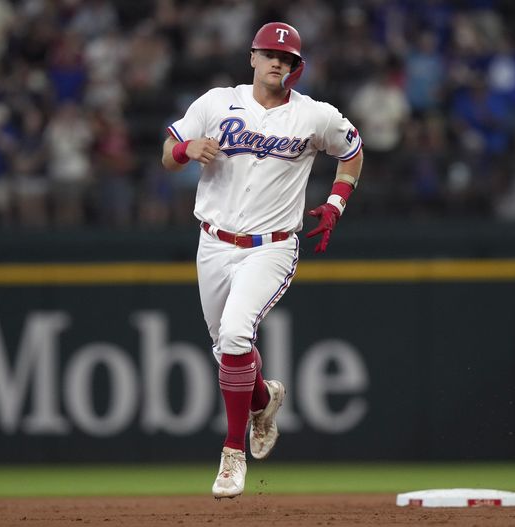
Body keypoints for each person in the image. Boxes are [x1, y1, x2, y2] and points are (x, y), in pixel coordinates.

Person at [160, 21, 363, 499]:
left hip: (271, 245)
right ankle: (264, 398)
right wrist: (186, 149)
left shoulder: (314, 115)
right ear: (252, 57)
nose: (278, 62)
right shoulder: (216, 103)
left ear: (296, 67)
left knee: (235, 335)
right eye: (270, 53)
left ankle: (233, 453)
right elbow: (168, 152)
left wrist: (336, 203)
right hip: (213, 243)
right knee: (226, 351)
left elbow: (352, 151)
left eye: (287, 58)